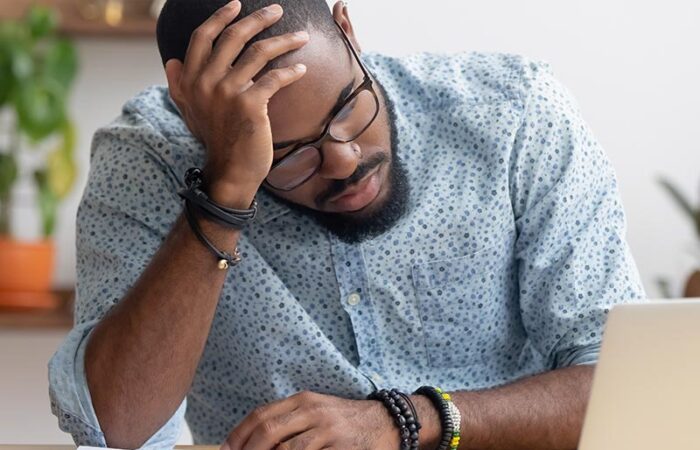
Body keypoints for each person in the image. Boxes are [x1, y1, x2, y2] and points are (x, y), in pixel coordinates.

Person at [48, 0, 646, 449]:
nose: (344, 160)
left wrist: (410, 421)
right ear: (190, 115)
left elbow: (625, 387)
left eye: (347, 107)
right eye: (285, 152)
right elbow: (116, 429)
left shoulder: (515, 115)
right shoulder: (149, 158)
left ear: (349, 32)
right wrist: (225, 189)